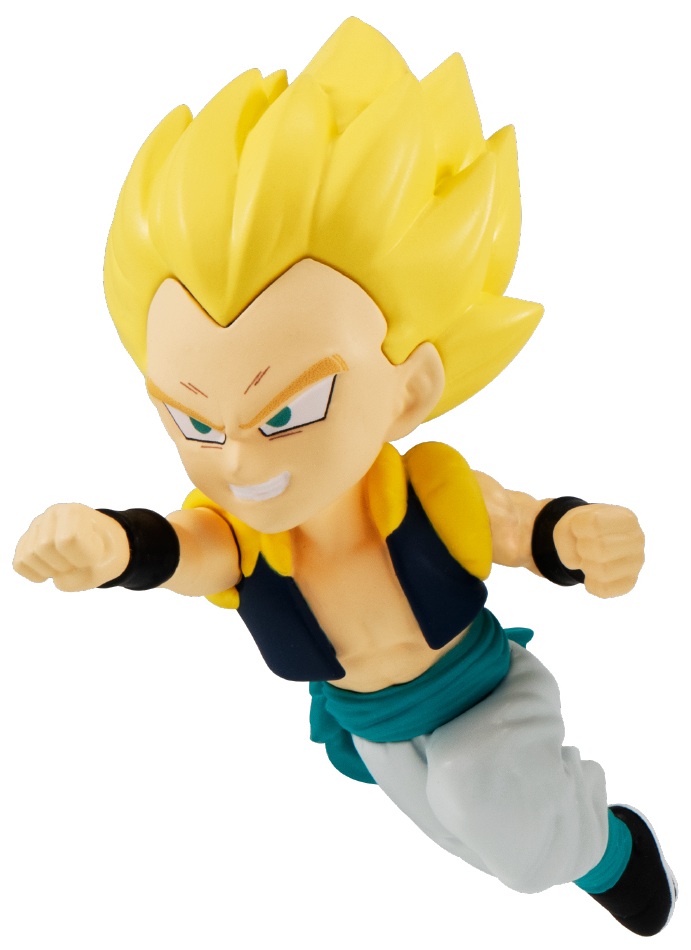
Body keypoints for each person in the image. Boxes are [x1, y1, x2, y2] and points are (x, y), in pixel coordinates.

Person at [12, 17, 676, 936]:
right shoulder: (242, 531)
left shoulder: (429, 492)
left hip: (482, 690)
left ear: (411, 388)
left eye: (287, 410)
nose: (237, 458)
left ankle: (611, 849)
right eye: (195, 422)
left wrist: (576, 535)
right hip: (368, 723)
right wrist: (113, 546)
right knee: (466, 836)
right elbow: (187, 549)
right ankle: (573, 843)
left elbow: (518, 523)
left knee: (502, 823)